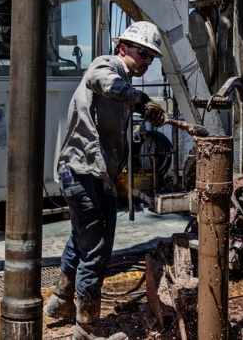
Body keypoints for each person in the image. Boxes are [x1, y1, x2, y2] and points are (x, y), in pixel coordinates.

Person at [44, 21, 167, 340]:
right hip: (88, 175)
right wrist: (140, 101)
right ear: (123, 47)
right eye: (143, 53)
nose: (147, 61)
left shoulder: (121, 80)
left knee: (80, 237)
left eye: (152, 57)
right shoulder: (109, 64)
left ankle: (61, 300)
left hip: (78, 173)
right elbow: (99, 78)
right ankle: (87, 328)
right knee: (96, 250)